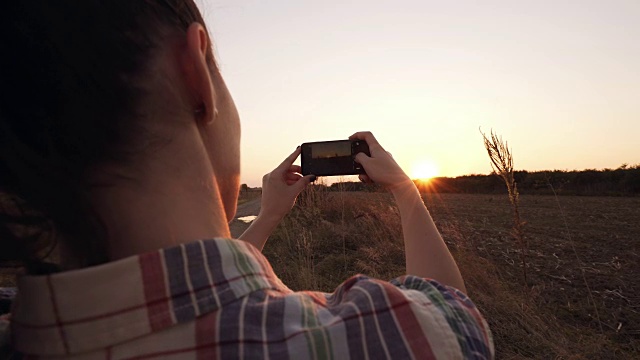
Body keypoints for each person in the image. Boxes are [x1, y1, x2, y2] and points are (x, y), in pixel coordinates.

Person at [0, 1, 494, 359]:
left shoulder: (18, 327)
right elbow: (451, 314)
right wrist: (405, 190)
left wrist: (270, 214)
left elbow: (181, 293)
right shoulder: (359, 339)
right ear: (194, 73)